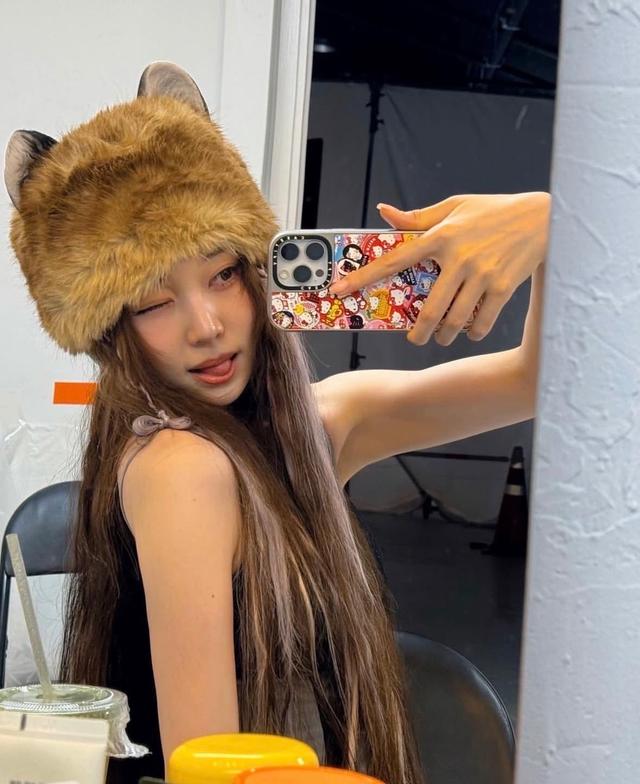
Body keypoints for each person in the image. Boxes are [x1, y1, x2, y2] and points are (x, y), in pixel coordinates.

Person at [4, 62, 549, 783]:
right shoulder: (181, 466)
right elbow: (209, 770)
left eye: (223, 274)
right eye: (154, 302)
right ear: (111, 330)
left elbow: (541, 380)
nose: (206, 326)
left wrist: (547, 223)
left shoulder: (321, 424)